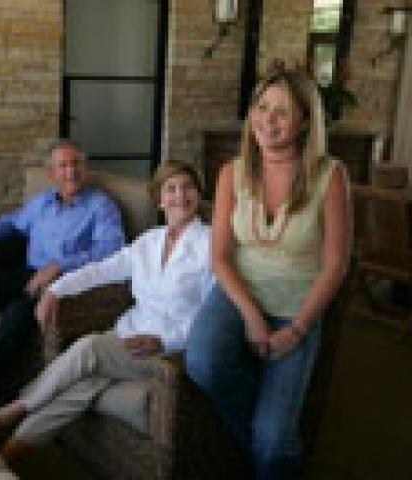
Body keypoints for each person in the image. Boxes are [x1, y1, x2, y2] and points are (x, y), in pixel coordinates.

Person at [0, 160, 215, 462]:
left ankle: (8, 414)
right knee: (82, 384)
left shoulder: (211, 245)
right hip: (129, 336)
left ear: (199, 195)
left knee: (88, 348)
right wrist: (57, 289)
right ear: (159, 200)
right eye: (171, 188)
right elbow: (101, 270)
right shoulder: (150, 242)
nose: (180, 196)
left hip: (169, 351)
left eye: (188, 187)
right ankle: (13, 452)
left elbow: (213, 317)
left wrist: (167, 341)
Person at [184, 66, 351, 479]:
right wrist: (252, 318)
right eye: (261, 108)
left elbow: (336, 265)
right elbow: (220, 257)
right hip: (238, 294)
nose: (267, 121)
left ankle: (269, 446)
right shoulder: (232, 172)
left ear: (305, 122)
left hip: (299, 308)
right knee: (201, 360)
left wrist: (296, 329)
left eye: (282, 112)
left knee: (275, 440)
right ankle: (264, 437)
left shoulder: (332, 176)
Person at [0, 139, 125, 413]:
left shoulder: (100, 206)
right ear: (51, 174)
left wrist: (60, 266)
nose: (70, 171)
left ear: (85, 167)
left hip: (60, 286)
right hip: (25, 275)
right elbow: (14, 220)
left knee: (17, 316)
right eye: (63, 165)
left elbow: (112, 251)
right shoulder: (43, 201)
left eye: (76, 163)